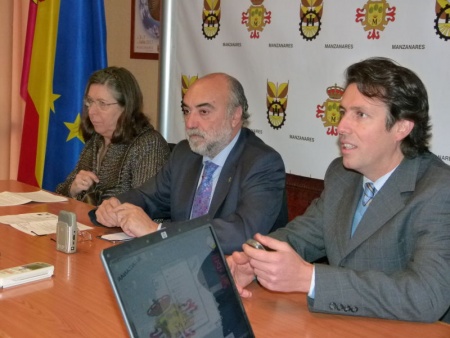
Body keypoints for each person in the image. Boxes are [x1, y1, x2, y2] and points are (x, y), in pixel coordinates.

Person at [227, 57, 450, 323]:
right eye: (343, 112)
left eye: (361, 115)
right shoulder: (343, 175)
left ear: (402, 127)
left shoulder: (438, 190)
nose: (341, 126)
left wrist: (311, 279)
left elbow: (427, 296)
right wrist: (251, 258)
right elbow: (300, 236)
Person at [92, 72, 287, 254]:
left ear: (235, 116)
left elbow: (242, 232)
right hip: (181, 263)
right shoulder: (185, 153)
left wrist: (157, 230)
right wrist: (115, 205)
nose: (190, 123)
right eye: (187, 111)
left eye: (203, 112)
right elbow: (148, 196)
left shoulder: (262, 163)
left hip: (238, 274)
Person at [56, 66, 170, 206]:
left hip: (121, 227)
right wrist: (73, 189)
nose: (91, 111)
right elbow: (61, 194)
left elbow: (149, 207)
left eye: (102, 104)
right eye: (90, 102)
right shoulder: (96, 139)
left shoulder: (148, 144)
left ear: (126, 107)